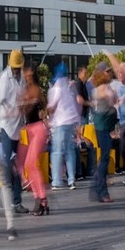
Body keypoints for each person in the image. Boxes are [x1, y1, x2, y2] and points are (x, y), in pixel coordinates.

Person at [0, 49, 27, 232]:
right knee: (6, 166)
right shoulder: (5, 78)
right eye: (14, 67)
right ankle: (4, 205)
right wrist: (6, 115)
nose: (16, 70)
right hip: (6, 127)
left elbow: (20, 99)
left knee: (17, 166)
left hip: (17, 127)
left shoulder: (21, 78)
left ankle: (16, 202)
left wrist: (21, 112)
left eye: (18, 67)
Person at [17, 63, 48, 214]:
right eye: (25, 75)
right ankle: (37, 195)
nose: (26, 77)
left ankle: (41, 199)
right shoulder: (24, 91)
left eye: (29, 74)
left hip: (38, 128)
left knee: (33, 164)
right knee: (25, 164)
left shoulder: (36, 90)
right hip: (28, 129)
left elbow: (37, 107)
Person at [47, 63, 80, 191]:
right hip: (70, 122)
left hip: (60, 123)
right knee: (69, 152)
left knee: (57, 152)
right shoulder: (67, 88)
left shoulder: (56, 89)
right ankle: (71, 180)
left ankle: (56, 180)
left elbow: (52, 107)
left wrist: (47, 109)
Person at [90, 67, 118, 203]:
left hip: (103, 126)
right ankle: (100, 190)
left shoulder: (98, 88)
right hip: (103, 126)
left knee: (104, 157)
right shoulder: (103, 88)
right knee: (105, 157)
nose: (110, 73)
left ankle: (99, 187)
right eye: (107, 71)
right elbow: (113, 100)